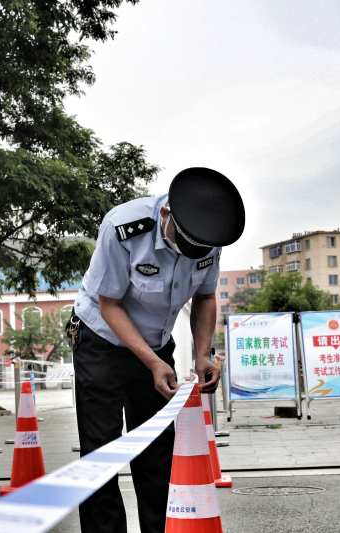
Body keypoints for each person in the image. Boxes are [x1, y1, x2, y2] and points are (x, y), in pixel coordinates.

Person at [71, 167, 245, 533]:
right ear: (166, 215)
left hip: (157, 346)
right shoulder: (123, 228)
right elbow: (110, 304)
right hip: (102, 341)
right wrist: (151, 361)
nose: (192, 253)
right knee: (100, 452)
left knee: (157, 452)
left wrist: (202, 354)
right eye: (185, 245)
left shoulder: (209, 235)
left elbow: (205, 296)